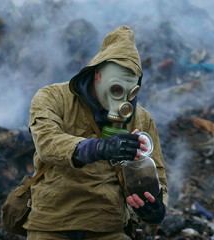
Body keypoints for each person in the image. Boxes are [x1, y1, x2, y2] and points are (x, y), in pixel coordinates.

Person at [23, 25, 168, 240]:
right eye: (116, 89)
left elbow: (157, 175)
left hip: (108, 227)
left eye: (130, 92)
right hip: (52, 224)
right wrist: (99, 147)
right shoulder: (53, 98)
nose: (122, 100)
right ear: (98, 75)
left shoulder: (141, 119)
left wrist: (156, 207)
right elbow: (47, 143)